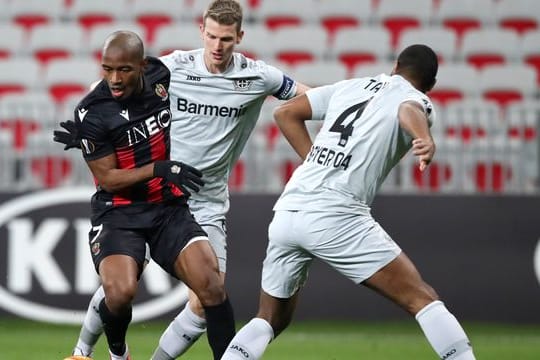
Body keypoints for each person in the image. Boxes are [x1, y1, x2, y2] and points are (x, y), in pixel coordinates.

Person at [54, 1, 309, 359]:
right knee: (121, 283)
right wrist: (89, 124)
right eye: (212, 37)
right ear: (201, 31)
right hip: (147, 190)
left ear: (239, 37)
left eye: (226, 39)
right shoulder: (174, 67)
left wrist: (357, 105)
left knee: (208, 297)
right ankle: (83, 351)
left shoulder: (258, 76)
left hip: (203, 199)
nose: (218, 46)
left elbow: (308, 96)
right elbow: (111, 84)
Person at [220, 44, 477, 360]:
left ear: (395, 65)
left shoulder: (351, 86)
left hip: (290, 208)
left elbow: (285, 112)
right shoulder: (417, 99)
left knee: (270, 318)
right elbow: (408, 110)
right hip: (337, 213)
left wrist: (316, 162)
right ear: (430, 85)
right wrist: (424, 137)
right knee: (422, 298)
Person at [59, 30, 236, 360]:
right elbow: (109, 179)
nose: (114, 79)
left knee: (212, 287)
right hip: (119, 211)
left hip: (167, 209)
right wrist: (160, 169)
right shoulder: (93, 112)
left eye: (123, 69)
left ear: (142, 65)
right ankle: (118, 353)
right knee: (121, 291)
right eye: (107, 69)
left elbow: (205, 76)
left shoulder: (161, 75)